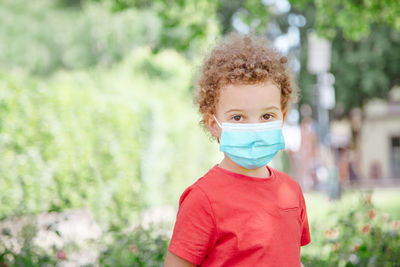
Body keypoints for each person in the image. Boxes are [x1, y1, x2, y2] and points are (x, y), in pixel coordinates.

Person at [164, 33, 311, 267]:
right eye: (238, 117)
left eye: (266, 116)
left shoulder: (291, 191)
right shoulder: (203, 199)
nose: (254, 128)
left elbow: (291, 259)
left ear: (282, 117)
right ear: (214, 125)